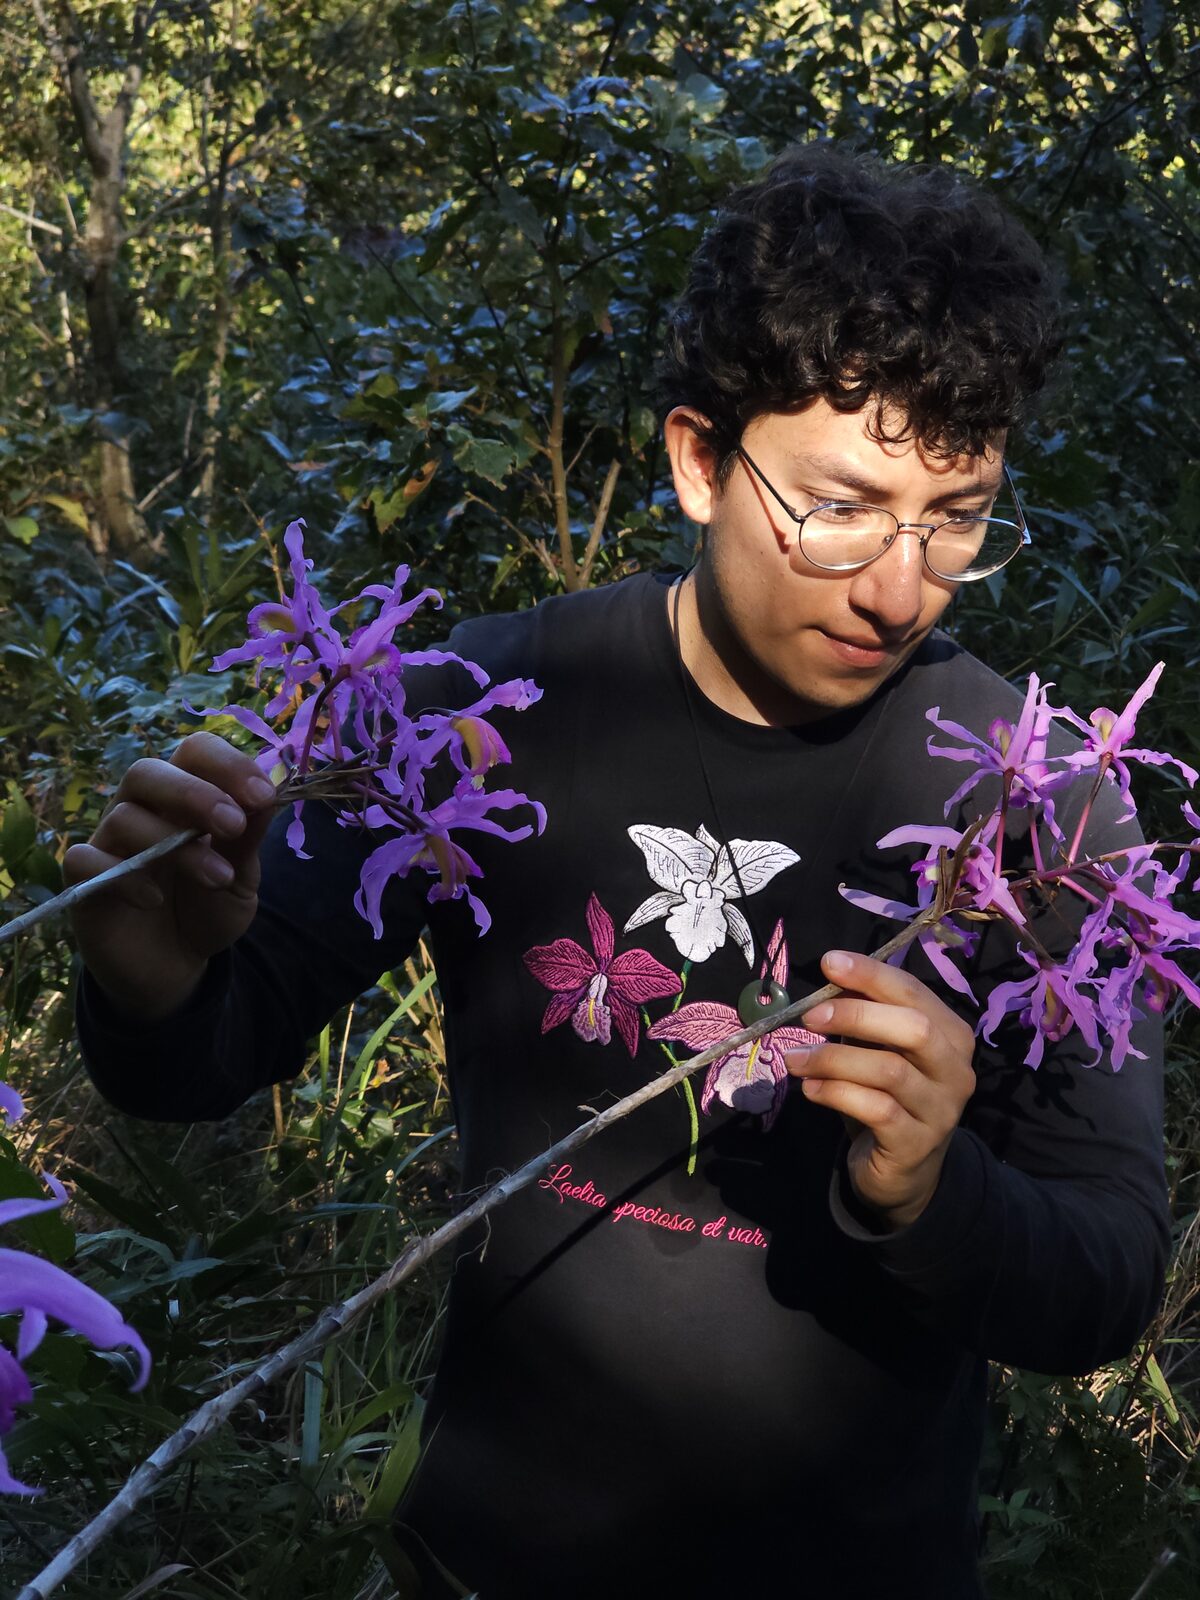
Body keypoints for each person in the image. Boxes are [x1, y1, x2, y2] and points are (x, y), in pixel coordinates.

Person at [69, 144, 1169, 1599]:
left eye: (957, 519)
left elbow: (1106, 1277)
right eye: (838, 507)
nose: (903, 588)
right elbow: (203, 1059)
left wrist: (931, 1191)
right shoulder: (483, 714)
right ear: (699, 461)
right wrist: (155, 979)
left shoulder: (1047, 808)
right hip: (490, 1559)